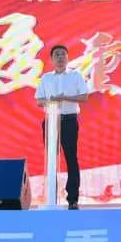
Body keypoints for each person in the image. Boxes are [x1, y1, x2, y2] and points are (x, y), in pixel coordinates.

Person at [35, 44, 89, 209]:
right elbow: (39, 100)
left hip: (69, 120)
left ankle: (72, 199)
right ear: (51, 59)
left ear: (67, 57)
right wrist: (50, 101)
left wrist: (65, 98)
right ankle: (51, 197)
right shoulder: (46, 78)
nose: (60, 57)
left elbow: (84, 96)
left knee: (71, 158)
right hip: (51, 120)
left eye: (63, 54)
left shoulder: (75, 75)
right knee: (51, 159)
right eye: (57, 55)